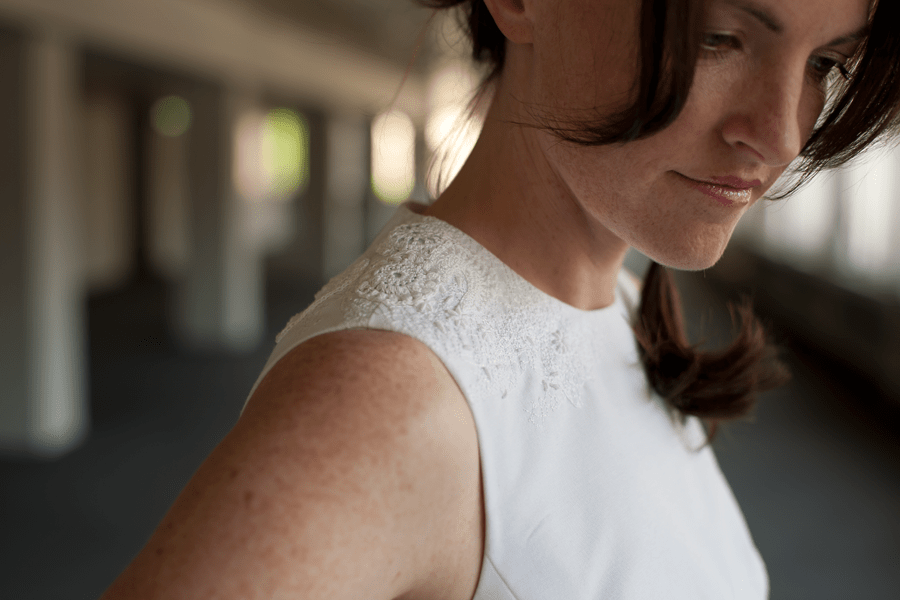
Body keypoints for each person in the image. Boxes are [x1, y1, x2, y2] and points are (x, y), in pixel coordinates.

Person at [100, 0, 900, 598]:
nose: (782, 134)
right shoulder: (389, 401)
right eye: (716, 36)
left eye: (825, 64)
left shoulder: (620, 301)